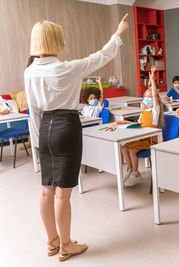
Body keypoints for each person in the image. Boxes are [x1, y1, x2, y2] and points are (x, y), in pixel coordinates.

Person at [24, 14, 129, 261]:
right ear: (55, 41)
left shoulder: (30, 71)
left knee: (46, 190)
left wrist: (40, 140)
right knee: (63, 193)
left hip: (45, 127)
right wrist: (118, 33)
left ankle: (52, 242)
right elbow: (102, 56)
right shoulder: (66, 68)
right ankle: (67, 245)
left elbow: (34, 110)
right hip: (66, 125)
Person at [117, 66, 164, 187]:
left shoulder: (155, 110)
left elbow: (154, 96)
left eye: (150, 97)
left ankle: (136, 173)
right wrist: (126, 122)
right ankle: (130, 169)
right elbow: (139, 124)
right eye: (146, 97)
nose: (148, 99)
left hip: (151, 139)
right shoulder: (143, 111)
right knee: (123, 147)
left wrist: (152, 80)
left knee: (132, 150)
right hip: (141, 137)